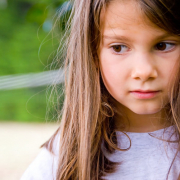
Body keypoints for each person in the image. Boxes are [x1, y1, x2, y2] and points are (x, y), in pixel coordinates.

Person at [21, 0, 180, 179]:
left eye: (163, 45)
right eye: (118, 48)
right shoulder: (65, 155)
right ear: (92, 54)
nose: (144, 71)